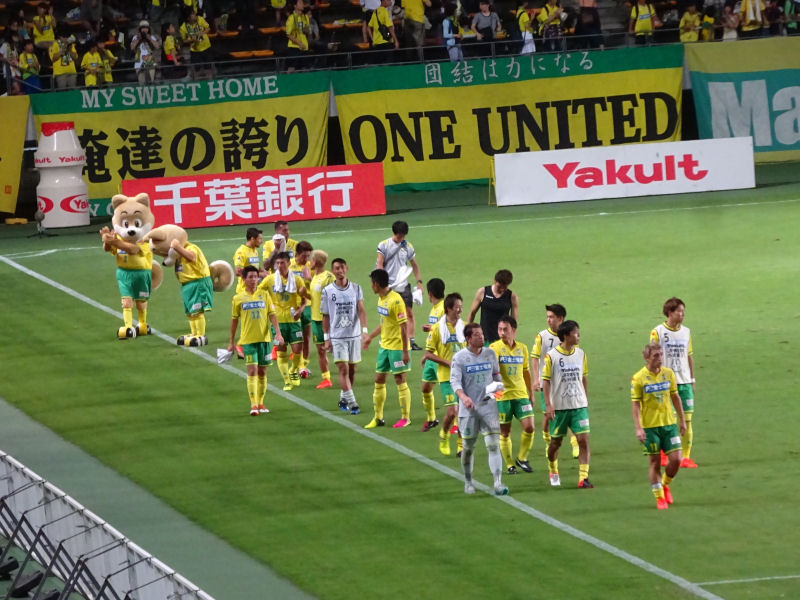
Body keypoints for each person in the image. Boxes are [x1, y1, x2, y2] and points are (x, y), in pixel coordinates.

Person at [450, 322, 508, 496]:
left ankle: (498, 483)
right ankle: (468, 482)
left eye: (482, 333)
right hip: (468, 411)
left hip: (489, 409)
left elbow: (496, 376)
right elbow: (455, 382)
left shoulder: (490, 354)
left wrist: (498, 390)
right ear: (468, 339)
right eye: (477, 335)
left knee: (493, 445)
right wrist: (463, 397)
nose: (482, 337)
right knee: (467, 448)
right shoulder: (459, 358)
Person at [631, 342, 687, 510]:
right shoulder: (638, 378)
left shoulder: (668, 374)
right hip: (650, 427)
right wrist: (638, 428)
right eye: (656, 356)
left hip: (669, 424)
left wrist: (683, 420)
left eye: (661, 355)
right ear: (646, 357)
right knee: (655, 463)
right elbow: (635, 405)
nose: (660, 359)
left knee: (676, 459)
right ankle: (659, 498)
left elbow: (675, 397)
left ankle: (665, 484)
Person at [227, 266, 284, 416]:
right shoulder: (238, 298)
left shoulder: (264, 295)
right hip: (248, 341)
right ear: (244, 279)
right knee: (252, 370)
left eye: (255, 277)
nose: (254, 280)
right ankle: (253, 405)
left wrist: (278, 334)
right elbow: (234, 321)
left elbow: (272, 315)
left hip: (264, 340)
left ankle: (261, 403)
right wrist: (231, 342)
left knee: (262, 371)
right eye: (250, 277)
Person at [542, 320, 592, 488]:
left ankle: (583, 478)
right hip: (560, 408)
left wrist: (585, 398)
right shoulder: (552, 356)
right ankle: (553, 469)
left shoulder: (581, 354)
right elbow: (546, 381)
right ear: (566, 335)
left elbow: (583, 377)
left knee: (583, 440)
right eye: (576, 333)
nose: (579, 336)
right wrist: (548, 405)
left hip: (578, 406)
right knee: (555, 443)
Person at [650, 297, 697, 468]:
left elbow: (689, 356)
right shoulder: (658, 332)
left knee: (688, 420)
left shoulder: (686, 332)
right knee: (667, 421)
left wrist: (692, 379)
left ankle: (685, 457)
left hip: (684, 382)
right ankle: (664, 454)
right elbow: (652, 356)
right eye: (679, 311)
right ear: (670, 312)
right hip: (666, 383)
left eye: (683, 311)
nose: (682, 314)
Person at [362, 269, 412, 429]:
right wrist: (370, 337)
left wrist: (405, 351)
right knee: (379, 379)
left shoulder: (396, 301)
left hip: (397, 348)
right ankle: (378, 417)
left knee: (399, 380)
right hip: (384, 346)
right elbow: (384, 323)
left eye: (372, 283)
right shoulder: (381, 299)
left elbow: (404, 327)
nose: (371, 286)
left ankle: (405, 418)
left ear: (376, 284)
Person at [531, 303, 579, 459]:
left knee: (570, 412)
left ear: (560, 318)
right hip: (547, 383)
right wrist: (536, 379)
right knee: (548, 415)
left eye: (551, 317)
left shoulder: (568, 335)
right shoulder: (542, 336)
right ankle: (548, 442)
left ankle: (575, 444)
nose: (548, 320)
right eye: (547, 317)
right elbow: (535, 358)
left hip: (564, 382)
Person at [321, 258, 369, 413]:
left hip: (354, 335)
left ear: (346, 268)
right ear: (332, 271)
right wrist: (326, 338)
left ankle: (343, 398)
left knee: (352, 370)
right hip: (337, 337)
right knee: (343, 369)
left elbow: (361, 310)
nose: (340, 270)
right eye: (337, 268)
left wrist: (364, 331)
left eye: (342, 267)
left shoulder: (356, 288)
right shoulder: (328, 291)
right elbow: (325, 316)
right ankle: (354, 403)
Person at [490, 316, 535, 475]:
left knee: (529, 427)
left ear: (514, 330)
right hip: (502, 396)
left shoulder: (522, 348)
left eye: (505, 329)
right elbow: (493, 370)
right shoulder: (494, 348)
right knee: (505, 432)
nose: (502, 333)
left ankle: (522, 458)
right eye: (500, 329)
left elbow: (526, 371)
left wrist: (531, 393)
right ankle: (510, 465)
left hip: (521, 394)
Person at [258, 252, 309, 390]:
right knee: (281, 350)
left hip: (293, 320)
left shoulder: (297, 280)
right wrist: (267, 305)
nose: (279, 266)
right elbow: (258, 293)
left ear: (288, 263)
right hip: (277, 322)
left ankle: (293, 370)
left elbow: (304, 300)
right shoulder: (270, 280)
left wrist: (300, 311)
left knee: (297, 350)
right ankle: (287, 381)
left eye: (282, 263)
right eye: (277, 263)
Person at [425, 293, 467, 455]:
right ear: (448, 309)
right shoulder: (437, 329)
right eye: (457, 307)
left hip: (463, 376)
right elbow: (428, 353)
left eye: (461, 307)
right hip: (446, 376)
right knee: (452, 412)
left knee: (462, 413)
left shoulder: (465, 327)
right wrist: (448, 363)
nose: (460, 310)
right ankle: (444, 434)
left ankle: (461, 445)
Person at [376, 221, 424, 351]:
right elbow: (380, 264)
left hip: (403, 285)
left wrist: (419, 282)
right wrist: (382, 283)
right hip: (388, 286)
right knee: (388, 315)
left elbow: (414, 265)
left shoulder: (407, 246)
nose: (401, 238)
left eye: (403, 236)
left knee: (409, 313)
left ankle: (411, 341)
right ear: (394, 233)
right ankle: (386, 338)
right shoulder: (384, 245)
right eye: (399, 236)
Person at [171, 237, 214, 347]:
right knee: (190, 313)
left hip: (197, 282)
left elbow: (192, 257)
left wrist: (177, 247)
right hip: (186, 285)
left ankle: (201, 335)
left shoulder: (191, 247)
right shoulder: (178, 253)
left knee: (197, 311)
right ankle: (194, 333)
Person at [466, 269, 519, 346]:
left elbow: (513, 322)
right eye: (499, 286)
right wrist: (467, 333)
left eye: (505, 287)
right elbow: (472, 313)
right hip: (484, 339)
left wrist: (512, 339)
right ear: (494, 280)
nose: (502, 289)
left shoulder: (512, 297)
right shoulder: (483, 292)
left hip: (502, 340)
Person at [308, 249, 336, 389]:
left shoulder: (328, 277)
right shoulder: (314, 276)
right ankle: (326, 379)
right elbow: (315, 298)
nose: (309, 262)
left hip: (328, 319)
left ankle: (348, 371)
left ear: (316, 261)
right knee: (321, 350)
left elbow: (335, 297)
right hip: (315, 319)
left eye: (311, 260)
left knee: (336, 347)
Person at [420, 278, 445, 431]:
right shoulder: (434, 309)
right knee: (426, 387)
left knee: (449, 390)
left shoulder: (443, 308)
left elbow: (447, 329)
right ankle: (431, 419)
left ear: (430, 293)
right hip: (431, 355)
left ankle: (457, 424)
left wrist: (431, 328)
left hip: (440, 356)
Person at [290, 241, 314, 378]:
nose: (306, 259)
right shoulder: (289, 265)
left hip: (308, 306)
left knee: (306, 337)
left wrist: (309, 277)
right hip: (293, 306)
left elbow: (317, 283)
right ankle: (298, 364)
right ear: (296, 254)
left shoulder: (310, 266)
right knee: (297, 339)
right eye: (304, 256)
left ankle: (303, 365)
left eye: (308, 256)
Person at [180, 7, 212, 78]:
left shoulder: (200, 19)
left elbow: (208, 28)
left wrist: (202, 33)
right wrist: (192, 39)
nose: (195, 15)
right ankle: (198, 80)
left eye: (194, 13)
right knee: (197, 69)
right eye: (192, 14)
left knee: (208, 67)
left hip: (206, 46)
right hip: (195, 50)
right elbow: (183, 40)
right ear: (188, 18)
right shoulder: (183, 27)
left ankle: (209, 79)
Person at [233, 227, 264, 295]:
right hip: (243, 291)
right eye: (259, 239)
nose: (261, 241)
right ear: (252, 239)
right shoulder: (241, 252)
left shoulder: (255, 251)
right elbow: (238, 271)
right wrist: (260, 274)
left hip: (254, 290)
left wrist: (263, 272)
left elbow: (254, 267)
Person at [131, 20, 161, 84]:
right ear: (140, 29)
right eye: (143, 28)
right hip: (139, 64)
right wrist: (138, 39)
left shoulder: (151, 36)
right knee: (142, 83)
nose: (145, 29)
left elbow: (157, 46)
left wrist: (149, 39)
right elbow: (132, 47)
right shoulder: (135, 37)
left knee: (151, 82)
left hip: (150, 63)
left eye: (146, 28)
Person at [286, 0, 311, 73]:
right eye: (300, 3)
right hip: (294, 47)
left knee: (304, 69)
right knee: (291, 69)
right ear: (295, 6)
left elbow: (307, 31)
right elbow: (288, 34)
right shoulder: (291, 18)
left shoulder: (305, 17)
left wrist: (306, 30)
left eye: (303, 3)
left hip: (304, 47)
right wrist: (299, 44)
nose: (302, 4)